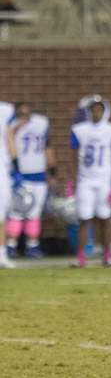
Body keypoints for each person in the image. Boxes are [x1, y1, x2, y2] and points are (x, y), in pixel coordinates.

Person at [68, 95, 111, 268]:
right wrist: (71, 182)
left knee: (106, 218)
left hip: (104, 181)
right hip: (85, 180)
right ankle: (81, 257)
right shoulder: (80, 130)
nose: (96, 114)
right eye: (93, 110)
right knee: (84, 218)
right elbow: (72, 159)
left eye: (99, 110)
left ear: (105, 112)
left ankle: (107, 256)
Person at [6, 101, 55, 259]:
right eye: (21, 113)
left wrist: (52, 171)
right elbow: (9, 142)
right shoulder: (11, 125)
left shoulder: (41, 123)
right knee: (17, 211)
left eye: (27, 113)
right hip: (20, 173)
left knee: (35, 212)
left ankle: (32, 245)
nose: (24, 117)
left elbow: (48, 147)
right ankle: (11, 245)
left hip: (39, 173)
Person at [0, 97, 11, 268]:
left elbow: (10, 137)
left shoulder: (5, 110)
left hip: (1, 167)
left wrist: (15, 167)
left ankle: (1, 254)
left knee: (2, 213)